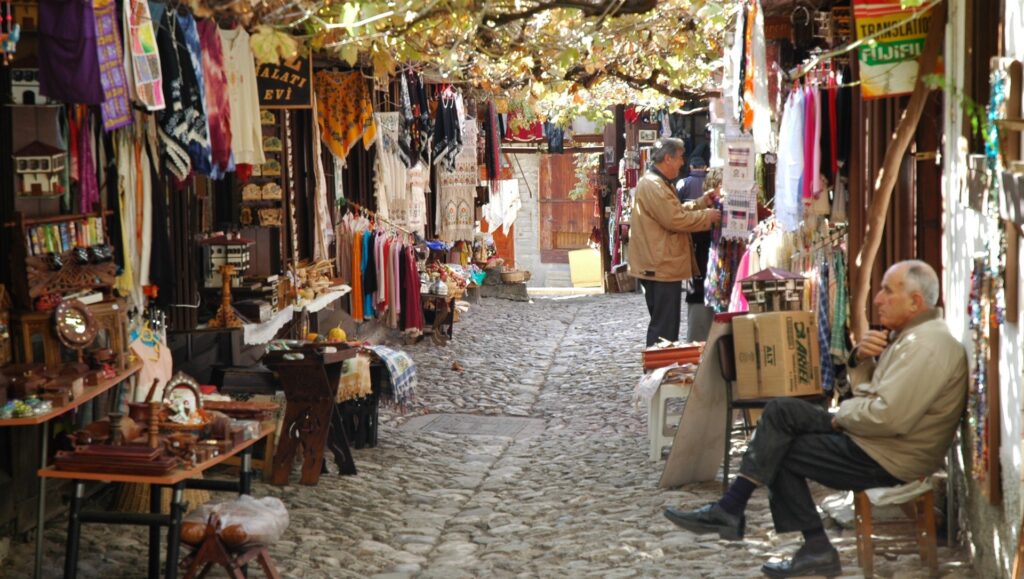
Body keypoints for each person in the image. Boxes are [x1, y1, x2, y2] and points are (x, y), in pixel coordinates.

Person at [663, 260, 967, 578]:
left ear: (915, 301)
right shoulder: (912, 337)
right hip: (877, 442)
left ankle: (787, 534)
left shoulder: (926, 346)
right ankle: (737, 511)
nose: (877, 299)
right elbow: (872, 396)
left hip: (890, 456)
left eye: (887, 291)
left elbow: (888, 417)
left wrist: (840, 418)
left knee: (778, 449)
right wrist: (860, 360)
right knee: (781, 413)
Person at [628, 138, 721, 347]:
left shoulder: (658, 183)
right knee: (664, 329)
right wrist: (708, 216)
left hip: (661, 264)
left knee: (665, 326)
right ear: (668, 158)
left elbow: (675, 212)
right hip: (659, 265)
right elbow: (675, 220)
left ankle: (659, 370)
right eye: (679, 157)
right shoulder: (654, 185)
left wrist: (700, 203)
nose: (682, 163)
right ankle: (657, 373)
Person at [676, 160, 717, 342]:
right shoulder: (706, 216)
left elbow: (678, 211)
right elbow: (676, 215)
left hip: (698, 280)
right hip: (701, 281)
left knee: (698, 334)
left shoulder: (682, 184)